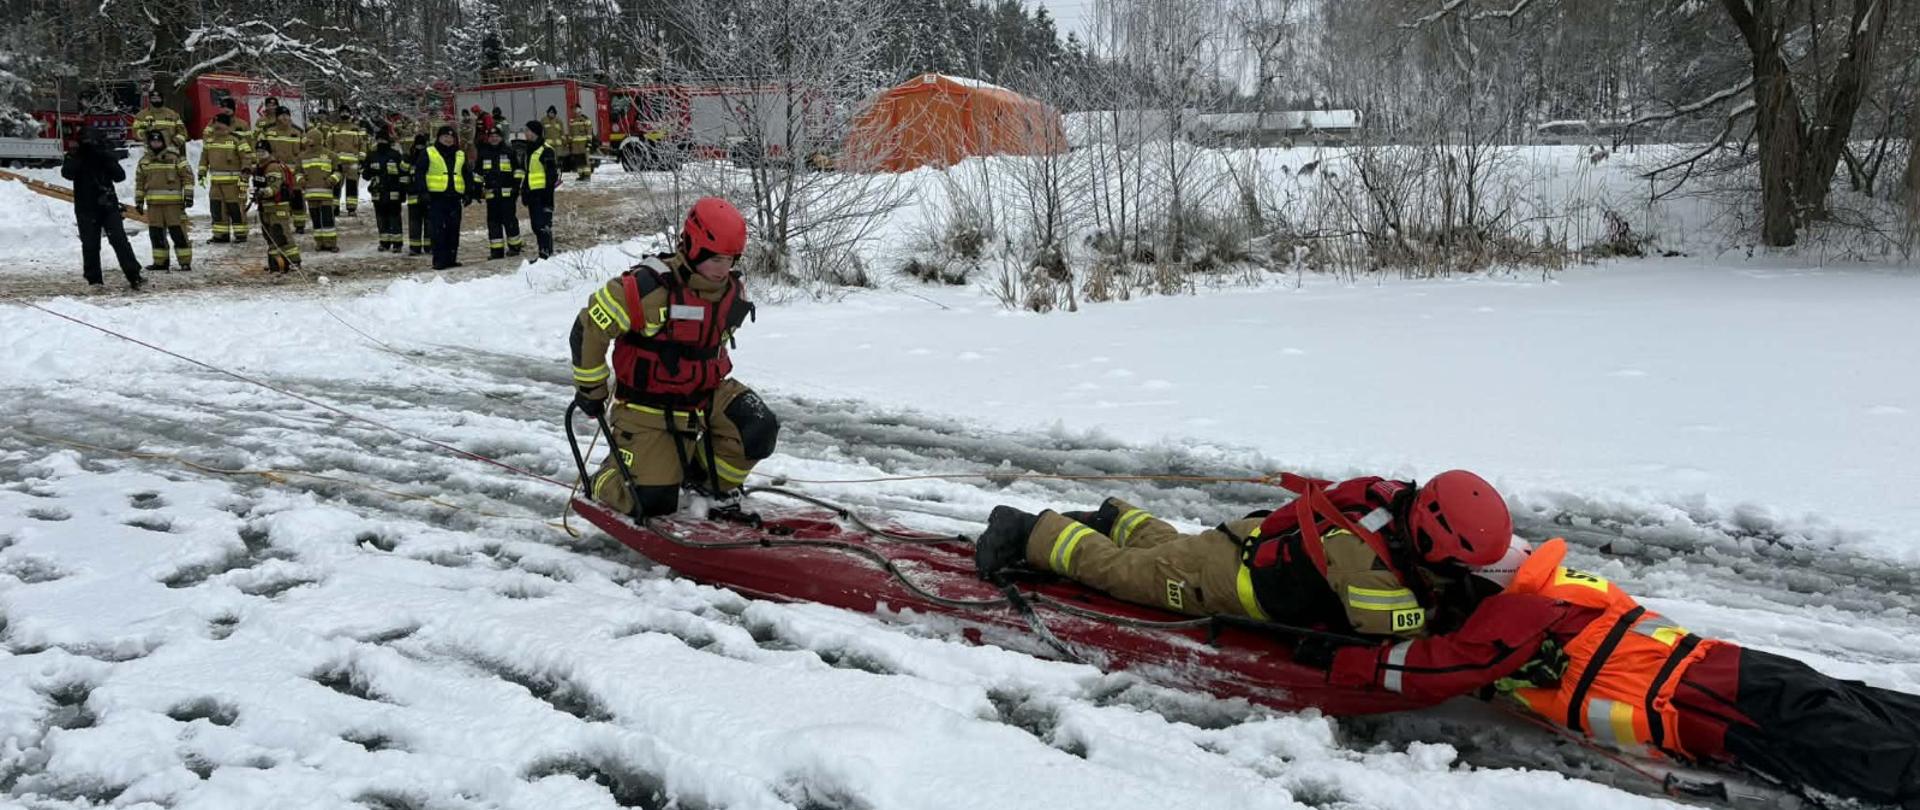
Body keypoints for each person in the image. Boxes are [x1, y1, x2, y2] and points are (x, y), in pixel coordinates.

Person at [1317, 536, 1920, 809]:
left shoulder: (1510, 619)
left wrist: (1335, 659)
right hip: (1721, 664)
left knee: (1854, 752)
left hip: (1696, 706)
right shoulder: (1560, 584)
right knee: (1847, 701)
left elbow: (1433, 669)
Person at [974, 471, 1513, 638]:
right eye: (1458, 564)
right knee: (1120, 573)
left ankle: (1117, 518)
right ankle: (1027, 531)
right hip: (1223, 582)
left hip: (1248, 542)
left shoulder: (1392, 500)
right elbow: (1392, 633)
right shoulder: (1367, 565)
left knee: (1172, 549)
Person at [569, 197, 778, 518]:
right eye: (716, 259)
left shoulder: (731, 292)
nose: (723, 270)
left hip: (702, 397)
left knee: (758, 426)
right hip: (648, 407)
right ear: (693, 247)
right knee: (651, 502)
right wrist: (591, 389)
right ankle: (607, 481)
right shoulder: (646, 289)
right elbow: (588, 327)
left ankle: (701, 482)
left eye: (730, 260)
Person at [61, 126, 144, 291]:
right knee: (90, 244)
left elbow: (120, 176)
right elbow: (67, 173)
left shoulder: (104, 154)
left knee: (119, 240)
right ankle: (94, 280)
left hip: (107, 205)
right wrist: (78, 156)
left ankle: (134, 274)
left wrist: (105, 157)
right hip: (86, 207)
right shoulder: (76, 155)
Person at [133, 129, 194, 273]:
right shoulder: (144, 161)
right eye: (153, 141)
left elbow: (188, 177)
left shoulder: (176, 158)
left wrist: (188, 195)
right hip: (154, 205)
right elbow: (140, 182)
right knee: (156, 234)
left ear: (164, 142)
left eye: (158, 141)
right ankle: (160, 262)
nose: (156, 143)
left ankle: (185, 262)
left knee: (178, 233)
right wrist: (139, 201)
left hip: (173, 205)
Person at [414, 125, 475, 270]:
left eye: (451, 137)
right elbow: (420, 173)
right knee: (438, 230)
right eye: (445, 137)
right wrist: (423, 192)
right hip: (436, 198)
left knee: (453, 230)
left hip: (454, 198)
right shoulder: (429, 152)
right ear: (439, 138)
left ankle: (451, 259)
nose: (448, 139)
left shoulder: (460, 154)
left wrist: (468, 193)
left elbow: (466, 174)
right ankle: (439, 260)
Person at [249, 140, 300, 273]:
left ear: (269, 152)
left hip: (278, 207)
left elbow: (275, 188)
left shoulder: (273, 167)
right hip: (265, 207)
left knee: (282, 235)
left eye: (263, 152)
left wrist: (263, 193)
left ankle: (294, 262)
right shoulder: (259, 167)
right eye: (258, 152)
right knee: (270, 236)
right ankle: (276, 264)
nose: (260, 154)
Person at [198, 114, 249, 243]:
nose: (216, 126)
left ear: (226, 125)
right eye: (215, 123)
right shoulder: (210, 141)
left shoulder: (237, 139)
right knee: (217, 209)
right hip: (216, 184)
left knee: (235, 209)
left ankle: (240, 234)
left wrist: (245, 175)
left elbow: (246, 158)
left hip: (234, 184)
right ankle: (220, 235)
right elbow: (204, 158)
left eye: (219, 123)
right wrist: (201, 173)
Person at [475, 127, 524, 259]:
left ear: (501, 138)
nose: (494, 138)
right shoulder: (483, 153)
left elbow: (518, 170)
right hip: (492, 196)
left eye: (497, 136)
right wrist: (477, 189)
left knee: (510, 221)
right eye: (491, 136)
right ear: (488, 138)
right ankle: (496, 251)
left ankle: (515, 247)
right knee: (493, 223)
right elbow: (478, 173)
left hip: (508, 195)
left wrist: (516, 186)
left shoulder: (509, 152)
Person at [262, 107, 307, 234]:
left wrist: (301, 164)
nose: (284, 117)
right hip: (275, 171)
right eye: (281, 115)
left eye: (287, 115)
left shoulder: (298, 131)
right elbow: (261, 149)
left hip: (293, 172)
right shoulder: (268, 131)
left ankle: (300, 224)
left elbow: (306, 149)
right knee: (278, 198)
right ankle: (279, 224)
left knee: (297, 198)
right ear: (276, 117)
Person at [521, 120, 561, 260]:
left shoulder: (546, 150)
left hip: (543, 195)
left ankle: (546, 254)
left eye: (527, 130)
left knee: (543, 226)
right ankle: (542, 253)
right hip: (533, 194)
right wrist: (524, 191)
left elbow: (551, 175)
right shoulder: (529, 149)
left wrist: (547, 195)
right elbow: (528, 173)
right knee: (536, 226)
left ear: (534, 132)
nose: (525, 133)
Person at [364, 131, 409, 252]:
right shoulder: (372, 155)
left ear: (388, 141)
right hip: (378, 192)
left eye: (383, 140)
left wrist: (403, 191)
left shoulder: (395, 155)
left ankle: (397, 244)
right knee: (381, 218)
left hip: (393, 192)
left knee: (394, 218)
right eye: (379, 140)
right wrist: (367, 170)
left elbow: (403, 174)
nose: (381, 142)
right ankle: (384, 243)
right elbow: (366, 175)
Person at [298, 129, 341, 253]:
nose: (308, 141)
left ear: (318, 139)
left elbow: (338, 171)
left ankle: (331, 243)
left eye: (311, 138)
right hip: (311, 194)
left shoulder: (330, 155)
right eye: (308, 138)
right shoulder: (302, 156)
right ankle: (319, 243)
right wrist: (301, 180)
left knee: (328, 219)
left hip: (325, 193)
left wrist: (332, 180)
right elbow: (298, 172)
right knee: (315, 220)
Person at [328, 108, 367, 216]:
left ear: (350, 114)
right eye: (342, 112)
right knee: (335, 186)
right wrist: (331, 160)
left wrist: (362, 160)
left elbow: (363, 145)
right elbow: (329, 145)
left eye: (346, 112)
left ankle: (351, 209)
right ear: (339, 114)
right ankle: (334, 208)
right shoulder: (334, 129)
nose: (344, 114)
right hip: (338, 163)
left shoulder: (356, 129)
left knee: (352, 186)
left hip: (353, 163)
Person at [404, 134, 429, 257]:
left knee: (415, 222)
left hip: (415, 195)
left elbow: (403, 173)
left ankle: (415, 247)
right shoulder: (429, 156)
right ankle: (428, 246)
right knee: (427, 222)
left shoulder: (410, 157)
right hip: (426, 194)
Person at [568, 105, 595, 181]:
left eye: (577, 110)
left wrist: (589, 143)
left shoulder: (585, 120)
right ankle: (581, 175)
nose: (576, 112)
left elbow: (589, 132)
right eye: (574, 110)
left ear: (580, 110)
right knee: (578, 161)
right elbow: (571, 133)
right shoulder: (572, 121)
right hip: (575, 146)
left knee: (585, 160)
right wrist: (569, 143)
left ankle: (587, 175)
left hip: (584, 145)